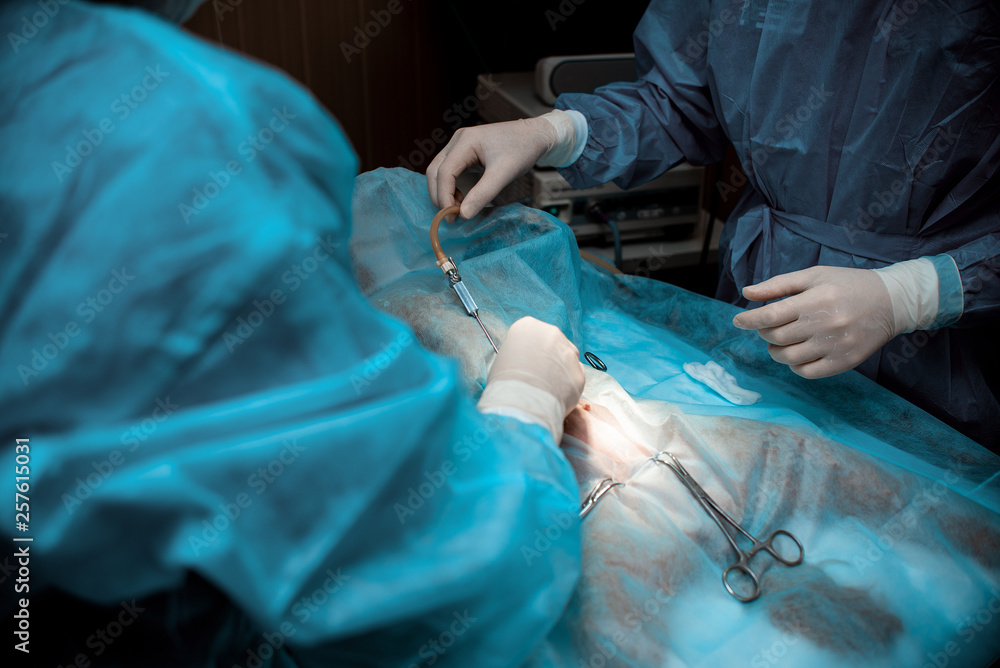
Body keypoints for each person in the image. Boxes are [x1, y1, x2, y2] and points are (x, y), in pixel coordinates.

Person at [0, 0, 587, 665]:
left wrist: (564, 128)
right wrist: (527, 399)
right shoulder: (168, 138)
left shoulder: (59, 93)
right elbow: (443, 584)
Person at [426, 0, 1000, 449]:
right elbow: (679, 101)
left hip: (940, 347)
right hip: (765, 294)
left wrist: (915, 294)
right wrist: (557, 132)